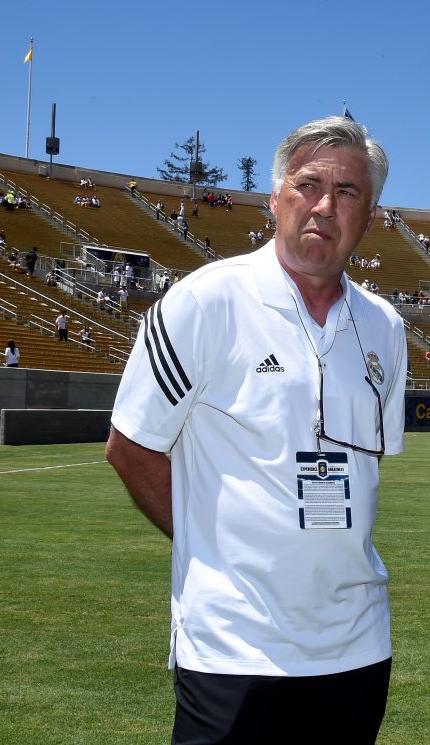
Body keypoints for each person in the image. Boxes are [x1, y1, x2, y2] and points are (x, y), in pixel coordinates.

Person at [105, 116, 406, 744]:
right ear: (275, 199)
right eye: (307, 184)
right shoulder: (204, 301)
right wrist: (212, 544)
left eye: (348, 191)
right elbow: (130, 447)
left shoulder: (384, 327)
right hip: (234, 645)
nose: (325, 204)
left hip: (355, 643)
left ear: (370, 216)